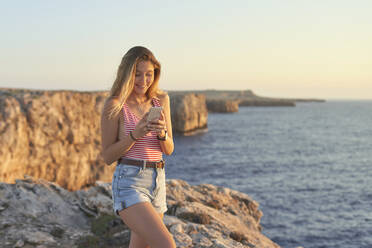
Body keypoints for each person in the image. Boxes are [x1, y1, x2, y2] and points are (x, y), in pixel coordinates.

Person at [100, 46, 176, 248]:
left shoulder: (161, 100)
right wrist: (135, 135)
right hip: (129, 182)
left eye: (149, 74)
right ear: (127, 74)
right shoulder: (115, 104)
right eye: (137, 75)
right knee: (166, 245)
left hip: (157, 181)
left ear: (155, 74)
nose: (143, 81)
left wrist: (162, 134)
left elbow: (169, 149)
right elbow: (107, 156)